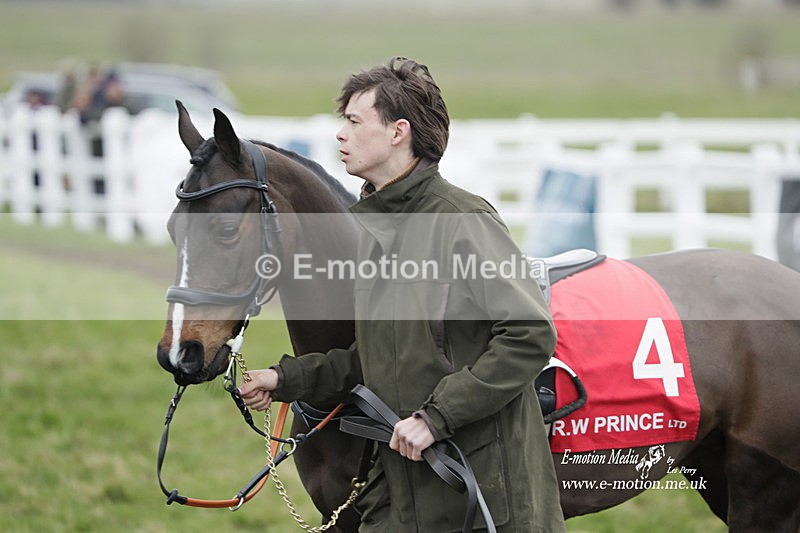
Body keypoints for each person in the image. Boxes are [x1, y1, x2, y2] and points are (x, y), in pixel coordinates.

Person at [239, 57, 565, 532]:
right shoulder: (374, 231)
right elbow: (377, 354)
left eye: (354, 121)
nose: (340, 134)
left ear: (398, 132)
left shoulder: (462, 221)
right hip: (399, 496)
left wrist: (437, 417)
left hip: (480, 496)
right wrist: (284, 379)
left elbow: (530, 335)